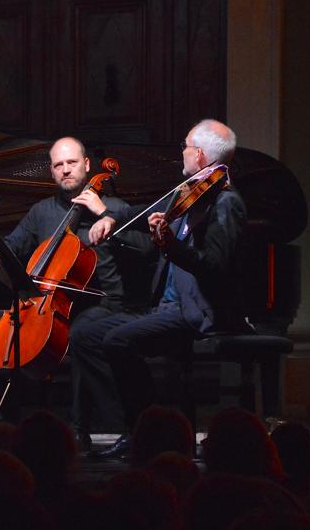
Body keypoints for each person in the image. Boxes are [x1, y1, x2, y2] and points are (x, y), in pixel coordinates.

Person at [71, 119, 248, 458]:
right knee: (85, 335)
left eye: (185, 146)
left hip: (196, 311)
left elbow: (215, 267)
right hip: (165, 307)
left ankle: (150, 429)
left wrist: (171, 246)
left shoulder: (224, 203)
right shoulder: (189, 195)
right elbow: (146, 211)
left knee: (117, 340)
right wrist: (110, 216)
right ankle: (138, 424)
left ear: (198, 155)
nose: (181, 152)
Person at [0, 137, 148, 447]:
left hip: (104, 305)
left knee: (81, 332)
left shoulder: (116, 208)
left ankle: (78, 428)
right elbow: (15, 243)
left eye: (71, 162)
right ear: (51, 172)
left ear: (86, 165)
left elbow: (147, 249)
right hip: (49, 305)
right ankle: (5, 427)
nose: (65, 170)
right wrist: (2, 256)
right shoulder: (42, 212)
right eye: (58, 165)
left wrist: (103, 211)